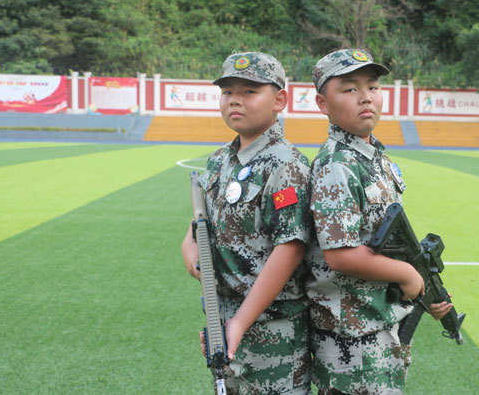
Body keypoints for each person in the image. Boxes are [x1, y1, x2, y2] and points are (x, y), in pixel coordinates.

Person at [306, 49, 453, 394]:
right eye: (349, 89)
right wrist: (408, 275)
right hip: (351, 338)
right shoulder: (337, 165)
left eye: (372, 87)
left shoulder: (374, 158)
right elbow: (340, 254)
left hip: (377, 323)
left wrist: (423, 285)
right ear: (323, 104)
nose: (365, 97)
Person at [180, 52, 311, 394]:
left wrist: (239, 322)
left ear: (279, 100)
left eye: (250, 91)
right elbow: (196, 229)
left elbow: (290, 248)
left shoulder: (286, 165)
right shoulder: (220, 161)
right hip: (223, 326)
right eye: (228, 92)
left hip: (274, 334)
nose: (235, 100)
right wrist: (194, 257)